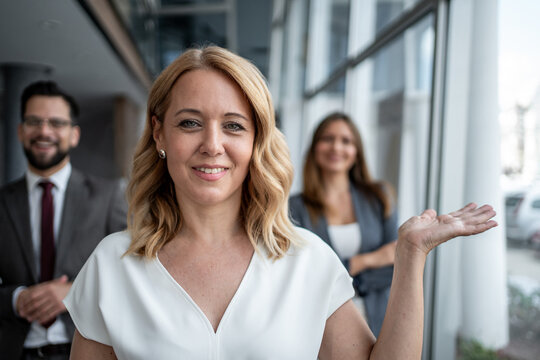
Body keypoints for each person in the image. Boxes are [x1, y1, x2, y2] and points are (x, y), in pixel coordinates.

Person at [63, 46, 497, 359]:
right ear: (159, 133)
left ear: (256, 142)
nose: (212, 145)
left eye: (233, 126)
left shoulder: (308, 262)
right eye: (190, 122)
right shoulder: (111, 265)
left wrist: (411, 254)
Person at [0, 81, 128, 359]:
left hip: (84, 349)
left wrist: (74, 292)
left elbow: (131, 272)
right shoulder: (3, 202)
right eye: (34, 121)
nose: (44, 131)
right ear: (21, 132)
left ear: (74, 135)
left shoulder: (109, 197)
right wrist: (15, 299)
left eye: (56, 123)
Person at [289, 112, 397, 336]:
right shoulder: (294, 207)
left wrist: (342, 278)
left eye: (346, 141)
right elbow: (302, 274)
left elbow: (395, 264)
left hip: (377, 318)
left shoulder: (379, 197)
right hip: (321, 324)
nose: (336, 147)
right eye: (327, 139)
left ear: (356, 152)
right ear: (315, 148)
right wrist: (365, 260)